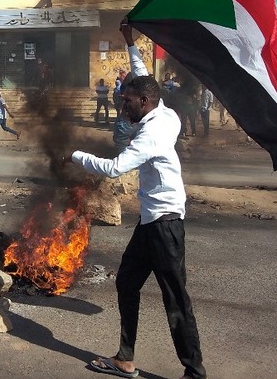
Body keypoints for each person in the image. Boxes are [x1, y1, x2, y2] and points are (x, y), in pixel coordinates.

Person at [63, 22, 206, 379]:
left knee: (176, 299)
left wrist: (76, 155)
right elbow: (143, 76)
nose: (122, 103)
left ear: (143, 102)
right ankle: (125, 358)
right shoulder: (162, 110)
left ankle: (195, 372)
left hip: (165, 225)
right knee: (127, 282)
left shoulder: (152, 134)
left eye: (127, 101)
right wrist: (130, 42)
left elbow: (114, 168)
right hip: (151, 221)